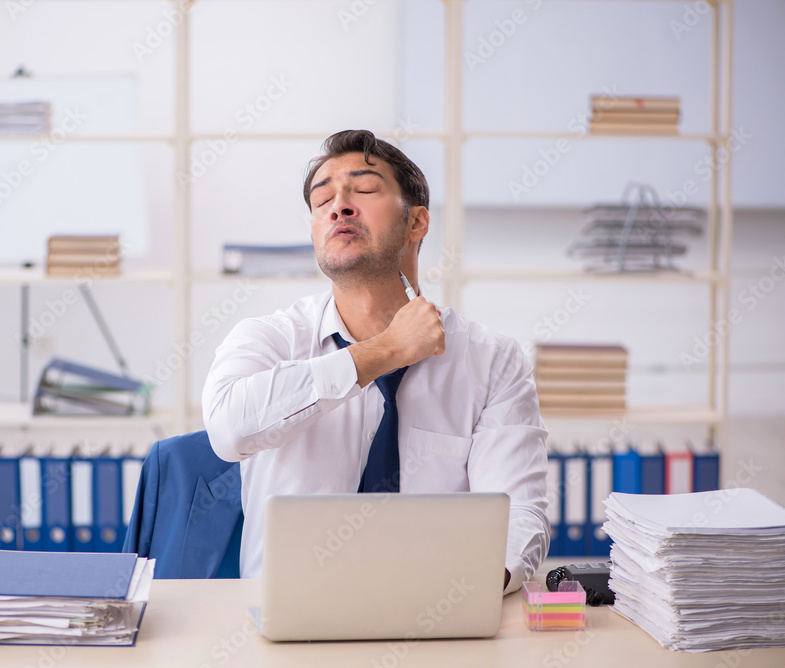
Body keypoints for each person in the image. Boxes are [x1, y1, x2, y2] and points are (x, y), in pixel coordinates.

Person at [202, 129, 549, 594]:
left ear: (417, 223)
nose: (339, 206)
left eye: (364, 190)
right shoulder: (269, 338)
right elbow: (229, 430)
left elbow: (519, 515)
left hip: (434, 615)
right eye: (322, 200)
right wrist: (386, 351)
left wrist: (467, 590)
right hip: (292, 624)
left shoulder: (493, 361)